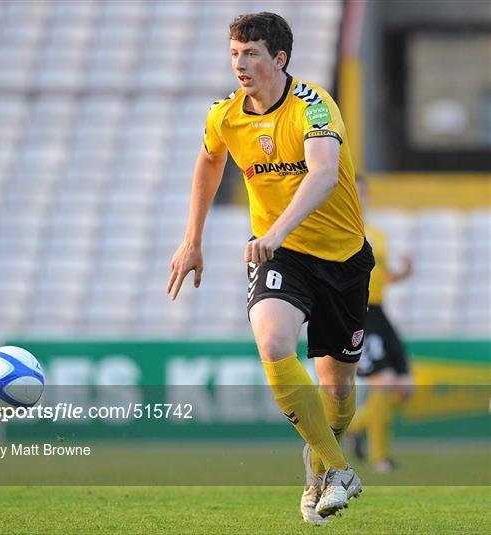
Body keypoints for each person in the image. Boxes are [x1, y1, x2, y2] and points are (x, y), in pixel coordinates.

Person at [167, 12, 374, 523]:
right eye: (235, 52)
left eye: (252, 53)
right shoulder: (225, 115)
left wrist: (274, 230)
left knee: (337, 393)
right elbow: (210, 159)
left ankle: (318, 463)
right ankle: (338, 467)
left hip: (342, 258)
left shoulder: (315, 105)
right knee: (273, 342)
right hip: (279, 255)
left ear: (279, 59)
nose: (240, 63)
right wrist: (193, 239)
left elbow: (324, 175)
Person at [347, 176, 414, 472]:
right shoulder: (340, 231)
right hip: (358, 313)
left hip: (380, 312)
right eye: (353, 192)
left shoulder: (377, 233)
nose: (359, 198)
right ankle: (379, 458)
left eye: (362, 193)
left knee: (403, 389)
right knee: (384, 384)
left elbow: (378, 277)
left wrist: (401, 275)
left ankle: (356, 426)